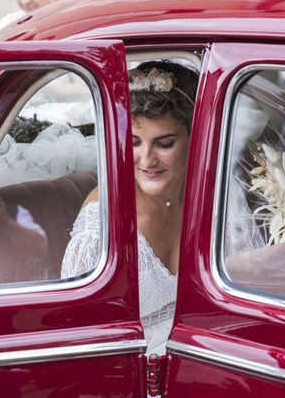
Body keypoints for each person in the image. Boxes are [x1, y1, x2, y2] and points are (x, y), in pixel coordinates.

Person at [61, 60, 198, 355]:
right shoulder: (103, 218)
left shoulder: (219, 193)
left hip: (212, 357)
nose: (147, 160)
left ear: (195, 138)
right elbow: (79, 334)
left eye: (164, 143)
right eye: (134, 142)